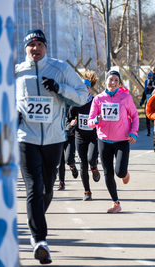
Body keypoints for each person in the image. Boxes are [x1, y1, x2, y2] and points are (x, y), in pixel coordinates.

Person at [16, 29, 88, 264]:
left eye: (39, 44)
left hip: (54, 139)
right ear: (25, 48)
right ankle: (40, 240)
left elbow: (83, 95)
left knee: (46, 190)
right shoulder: (15, 73)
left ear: (46, 47)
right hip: (26, 138)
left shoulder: (61, 69)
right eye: (31, 45)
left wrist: (59, 89)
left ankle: (35, 221)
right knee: (34, 188)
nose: (35, 49)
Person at [88, 70, 139, 213]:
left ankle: (124, 173)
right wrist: (95, 120)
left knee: (119, 172)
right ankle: (116, 203)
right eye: (111, 79)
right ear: (105, 81)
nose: (113, 83)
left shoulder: (125, 97)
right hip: (104, 140)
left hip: (122, 139)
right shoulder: (98, 99)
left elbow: (134, 116)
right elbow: (90, 121)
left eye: (116, 80)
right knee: (108, 173)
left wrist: (133, 133)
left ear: (119, 82)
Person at [68, 73, 101, 201]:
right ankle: (87, 192)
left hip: (93, 136)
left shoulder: (95, 101)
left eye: (86, 87)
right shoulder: (75, 103)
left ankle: (94, 167)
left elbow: (101, 114)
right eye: (82, 87)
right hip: (80, 136)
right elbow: (70, 117)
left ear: (90, 89)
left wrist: (99, 120)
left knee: (91, 159)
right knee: (82, 164)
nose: (84, 89)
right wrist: (71, 122)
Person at [57, 104, 78, 191]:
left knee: (69, 159)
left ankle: (72, 166)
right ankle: (61, 182)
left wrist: (73, 125)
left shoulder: (72, 104)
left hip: (70, 136)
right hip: (58, 136)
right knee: (60, 161)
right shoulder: (55, 104)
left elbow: (78, 119)